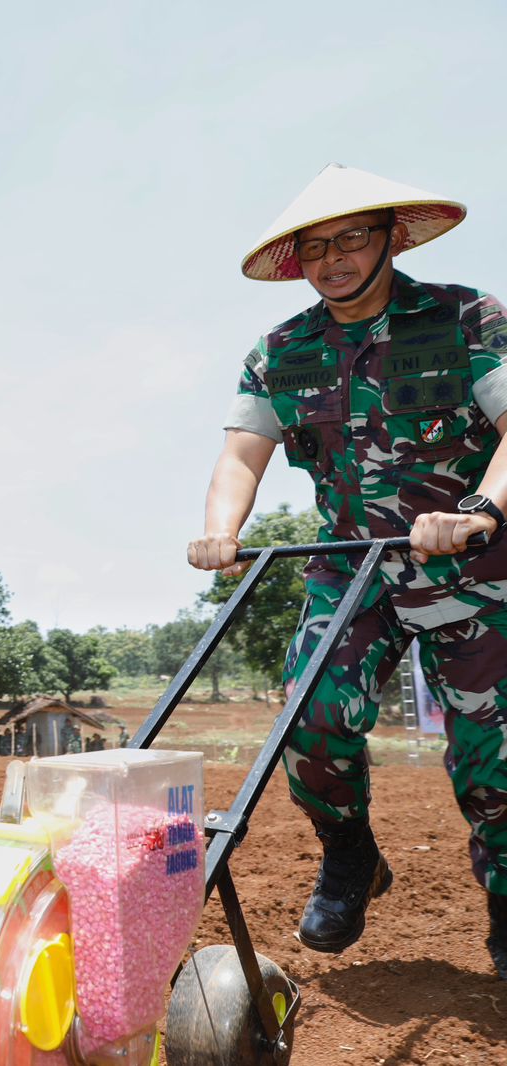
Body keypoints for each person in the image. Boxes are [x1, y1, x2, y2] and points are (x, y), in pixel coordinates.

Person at [190, 164, 507, 977]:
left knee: (494, 761)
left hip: (475, 566)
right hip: (351, 570)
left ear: (392, 237)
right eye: (315, 246)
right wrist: (219, 531)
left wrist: (483, 510)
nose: (332, 257)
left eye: (351, 238)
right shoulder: (281, 352)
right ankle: (351, 854)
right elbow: (240, 454)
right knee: (311, 725)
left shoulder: (464, 316)